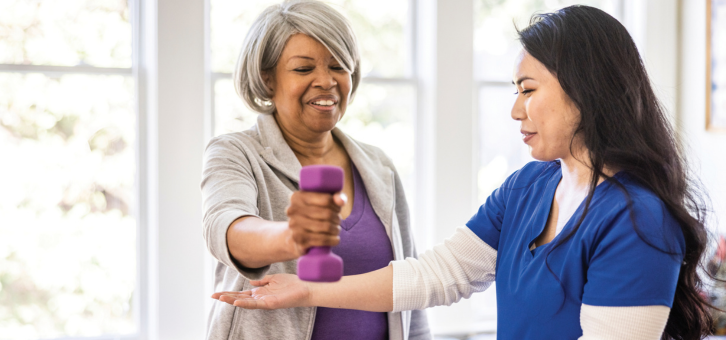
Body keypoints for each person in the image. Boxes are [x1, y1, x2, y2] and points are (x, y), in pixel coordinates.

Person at [212, 5, 715, 340]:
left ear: (586, 89)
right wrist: (309, 289)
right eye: (514, 91)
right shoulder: (530, 186)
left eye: (528, 90)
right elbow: (440, 273)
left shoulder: (638, 219)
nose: (516, 112)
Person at [201, 0, 431, 339]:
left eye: (338, 66)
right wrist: (291, 237)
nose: (326, 81)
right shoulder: (235, 152)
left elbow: (410, 292)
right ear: (268, 79)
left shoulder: (379, 167)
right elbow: (227, 228)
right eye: (303, 69)